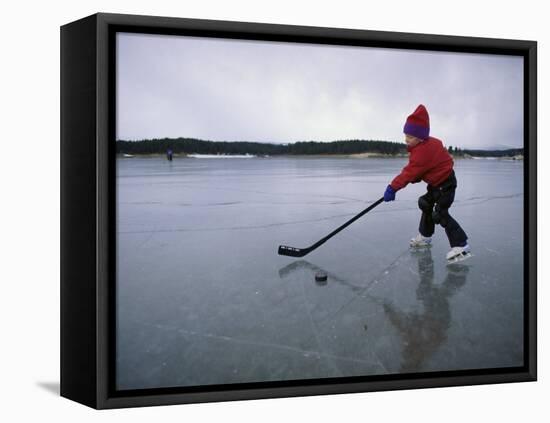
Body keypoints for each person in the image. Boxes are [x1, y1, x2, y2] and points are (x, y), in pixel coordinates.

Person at [383, 104, 470, 263]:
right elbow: (423, 170)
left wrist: (392, 188)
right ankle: (425, 237)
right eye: (405, 135)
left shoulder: (422, 152)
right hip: (437, 184)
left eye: (409, 136)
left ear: (420, 137)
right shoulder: (427, 144)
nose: (406, 139)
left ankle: (461, 246)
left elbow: (410, 172)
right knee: (425, 203)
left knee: (440, 213)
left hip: (446, 184)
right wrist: (416, 176)